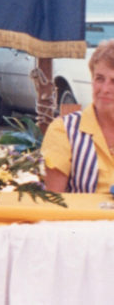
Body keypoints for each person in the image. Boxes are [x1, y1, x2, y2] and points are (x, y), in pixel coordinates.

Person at [42, 40, 114, 193]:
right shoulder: (64, 130)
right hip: (81, 217)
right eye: (99, 78)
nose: (105, 89)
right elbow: (52, 200)